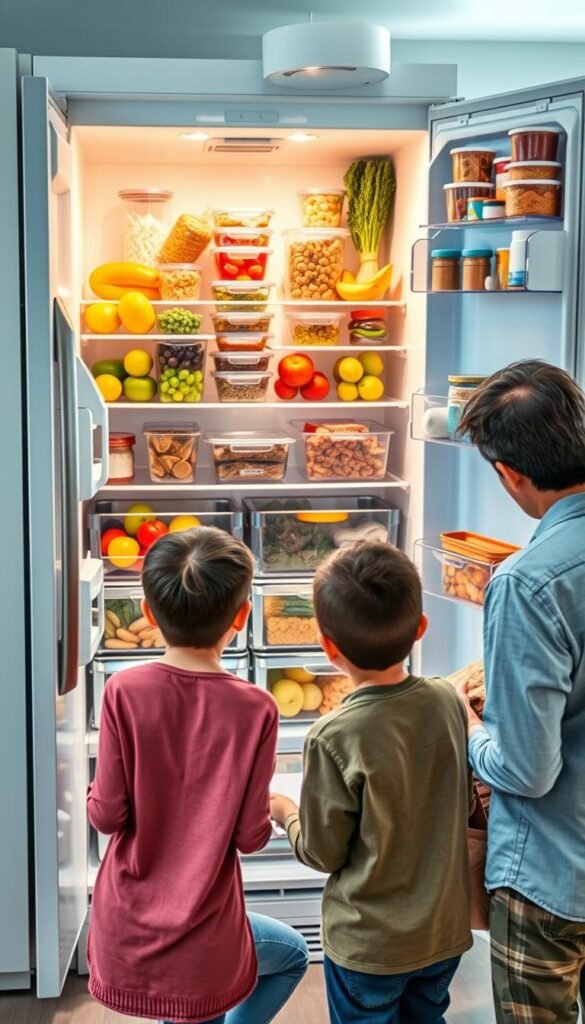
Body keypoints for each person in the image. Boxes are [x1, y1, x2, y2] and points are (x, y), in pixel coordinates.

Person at [87, 526, 308, 1024]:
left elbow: (106, 816)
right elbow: (250, 837)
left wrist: (93, 794)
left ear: (148, 612)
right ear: (242, 616)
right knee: (293, 955)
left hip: (127, 930)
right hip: (203, 937)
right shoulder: (257, 708)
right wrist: (278, 808)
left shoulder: (122, 691)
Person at [271, 541, 473, 1024]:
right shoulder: (448, 700)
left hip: (370, 946)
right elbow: (461, 799)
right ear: (420, 628)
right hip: (442, 933)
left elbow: (322, 853)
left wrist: (284, 812)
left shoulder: (332, 735)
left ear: (327, 647)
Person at [455, 359, 585, 1024]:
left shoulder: (525, 582)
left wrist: (467, 724)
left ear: (508, 474)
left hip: (552, 876)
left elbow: (526, 770)